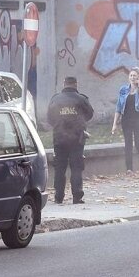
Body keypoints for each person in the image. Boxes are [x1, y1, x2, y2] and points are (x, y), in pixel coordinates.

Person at [47, 76, 94, 204]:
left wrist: (59, 125)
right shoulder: (82, 99)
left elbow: (49, 118)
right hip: (77, 138)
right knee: (77, 167)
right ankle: (77, 196)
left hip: (59, 138)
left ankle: (58, 197)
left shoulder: (55, 99)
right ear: (76, 84)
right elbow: (90, 114)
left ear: (64, 84)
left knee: (59, 168)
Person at [111, 66, 139, 175]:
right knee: (128, 144)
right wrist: (114, 124)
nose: (132, 77)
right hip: (126, 120)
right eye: (131, 75)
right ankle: (129, 169)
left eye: (135, 75)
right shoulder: (123, 90)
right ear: (128, 77)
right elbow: (119, 107)